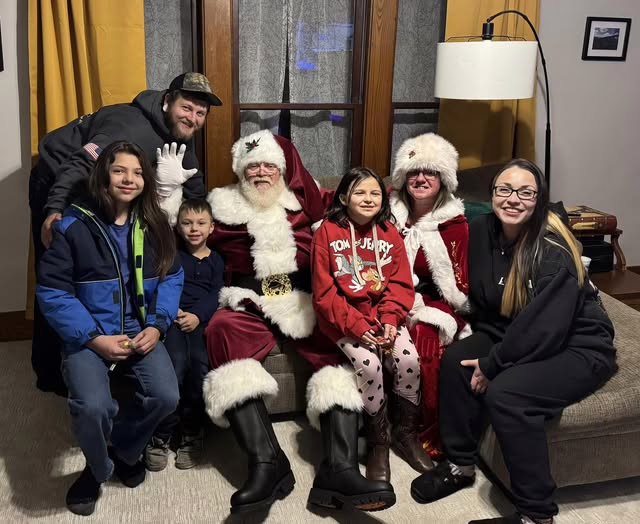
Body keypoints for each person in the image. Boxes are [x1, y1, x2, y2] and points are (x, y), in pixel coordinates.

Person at [410, 159, 617, 524]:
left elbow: (544, 330)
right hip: (509, 329)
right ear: (492, 194)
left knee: (508, 395)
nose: (513, 199)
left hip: (577, 344)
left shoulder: (553, 250)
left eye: (526, 192)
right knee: (457, 360)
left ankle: (536, 515)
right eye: (504, 190)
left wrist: (494, 364)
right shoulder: (481, 230)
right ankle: (460, 465)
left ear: (539, 199)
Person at [202, 129, 396, 514]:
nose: (261, 172)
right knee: (221, 330)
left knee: (338, 348)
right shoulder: (221, 206)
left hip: (303, 297)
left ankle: (339, 469)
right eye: (253, 166)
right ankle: (267, 463)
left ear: (282, 170)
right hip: (251, 299)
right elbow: (183, 225)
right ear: (241, 171)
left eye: (269, 166)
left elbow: (362, 202)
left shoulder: (305, 201)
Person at [29, 72, 220, 395]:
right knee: (58, 274)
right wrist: (54, 209)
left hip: (103, 187)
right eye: (187, 108)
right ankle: (52, 373)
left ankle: (117, 360)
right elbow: (78, 165)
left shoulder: (181, 136)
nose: (193, 118)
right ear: (168, 101)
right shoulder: (129, 128)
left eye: (200, 113)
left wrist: (205, 222)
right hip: (59, 176)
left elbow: (195, 187)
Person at [36, 141, 183, 516]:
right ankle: (97, 469)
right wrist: (94, 339)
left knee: (166, 396)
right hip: (89, 335)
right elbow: (52, 293)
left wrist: (158, 326)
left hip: (141, 330)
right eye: (120, 170)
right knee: (92, 406)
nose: (129, 179)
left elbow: (172, 277)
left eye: (137, 172)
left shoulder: (155, 224)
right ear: (103, 175)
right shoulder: (73, 226)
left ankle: (125, 449)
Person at [312, 167, 434, 484]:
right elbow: (324, 294)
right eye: (360, 192)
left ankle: (405, 434)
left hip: (384, 315)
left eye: (375, 193)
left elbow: (401, 284)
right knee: (369, 365)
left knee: (409, 360)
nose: (368, 199)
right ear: (343, 198)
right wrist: (356, 325)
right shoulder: (327, 232)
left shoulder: (390, 233)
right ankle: (378, 443)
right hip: (344, 318)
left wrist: (392, 319)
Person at [389, 133, 471, 459]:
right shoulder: (387, 213)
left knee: (426, 335)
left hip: (437, 302)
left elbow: (459, 287)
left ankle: (427, 432)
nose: (421, 178)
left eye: (430, 172)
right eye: (414, 171)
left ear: (443, 180)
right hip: (390, 297)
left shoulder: (455, 224)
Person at [145, 199, 224, 471]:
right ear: (177, 227)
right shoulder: (172, 255)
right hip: (173, 320)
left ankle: (192, 432)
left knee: (199, 368)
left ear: (212, 227)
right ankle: (162, 433)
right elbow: (162, 286)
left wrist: (197, 316)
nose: (194, 229)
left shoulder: (217, 260)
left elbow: (217, 293)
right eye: (187, 223)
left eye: (201, 223)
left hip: (200, 323)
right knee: (175, 367)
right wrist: (174, 311)